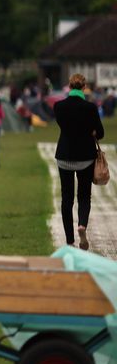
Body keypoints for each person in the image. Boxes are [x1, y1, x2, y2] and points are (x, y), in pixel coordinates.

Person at [54, 73, 105, 250]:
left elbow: (63, 126)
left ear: (69, 87)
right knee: (84, 196)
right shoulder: (90, 108)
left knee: (66, 198)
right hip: (85, 158)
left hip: (64, 157)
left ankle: (69, 240)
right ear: (84, 88)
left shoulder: (59, 106)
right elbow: (100, 133)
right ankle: (82, 225)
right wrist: (91, 132)